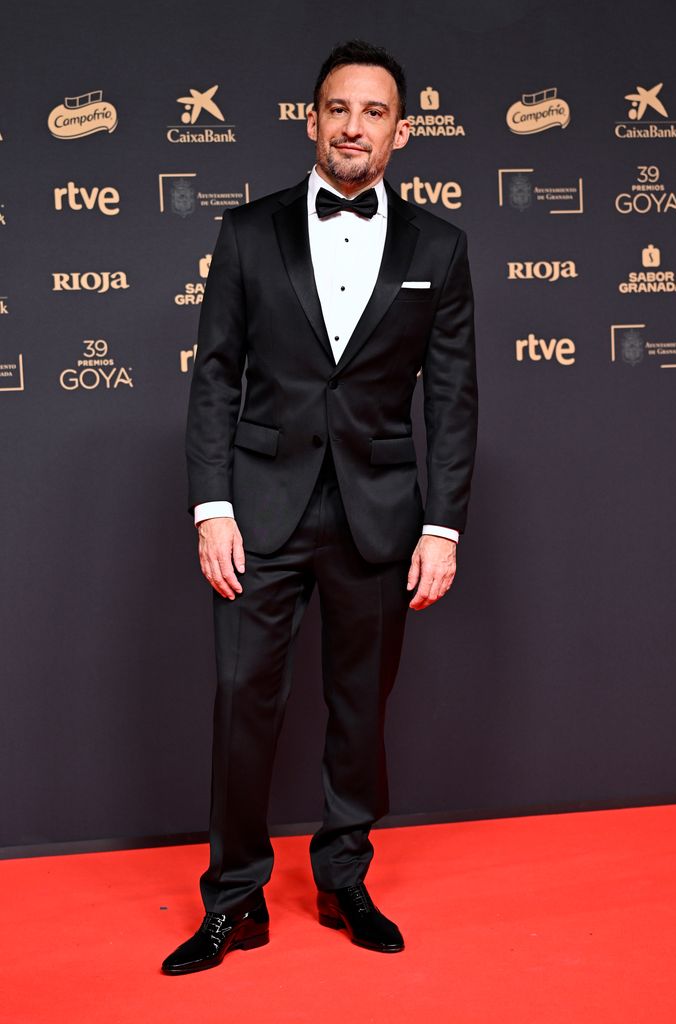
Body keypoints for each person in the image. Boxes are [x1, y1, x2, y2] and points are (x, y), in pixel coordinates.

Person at [161, 39, 477, 975]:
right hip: (259, 511)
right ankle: (235, 899)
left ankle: (344, 875)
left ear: (402, 132)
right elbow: (214, 379)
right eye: (338, 109)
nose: (354, 127)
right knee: (238, 702)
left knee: (359, 709)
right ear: (313, 120)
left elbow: (452, 398)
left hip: (381, 515)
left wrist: (444, 525)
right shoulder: (248, 233)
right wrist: (212, 506)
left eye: (374, 112)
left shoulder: (442, 247)